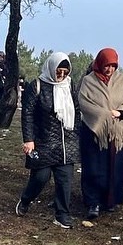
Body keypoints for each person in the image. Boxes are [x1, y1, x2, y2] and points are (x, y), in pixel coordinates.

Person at [16, 52, 80, 229]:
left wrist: (77, 135)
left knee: (65, 178)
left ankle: (62, 214)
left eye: (65, 72)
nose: (61, 75)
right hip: (42, 141)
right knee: (40, 177)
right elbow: (27, 114)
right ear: (51, 68)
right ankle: (26, 200)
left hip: (66, 141)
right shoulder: (36, 86)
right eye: (58, 71)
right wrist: (28, 139)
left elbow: (76, 110)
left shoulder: (70, 86)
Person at [78, 47, 123, 220]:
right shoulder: (89, 81)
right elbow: (84, 102)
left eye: (113, 66)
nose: (109, 69)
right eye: (107, 65)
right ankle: (93, 202)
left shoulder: (122, 79)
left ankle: (111, 200)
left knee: (115, 167)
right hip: (95, 131)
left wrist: (121, 111)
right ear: (100, 63)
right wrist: (103, 115)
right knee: (95, 167)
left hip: (116, 131)